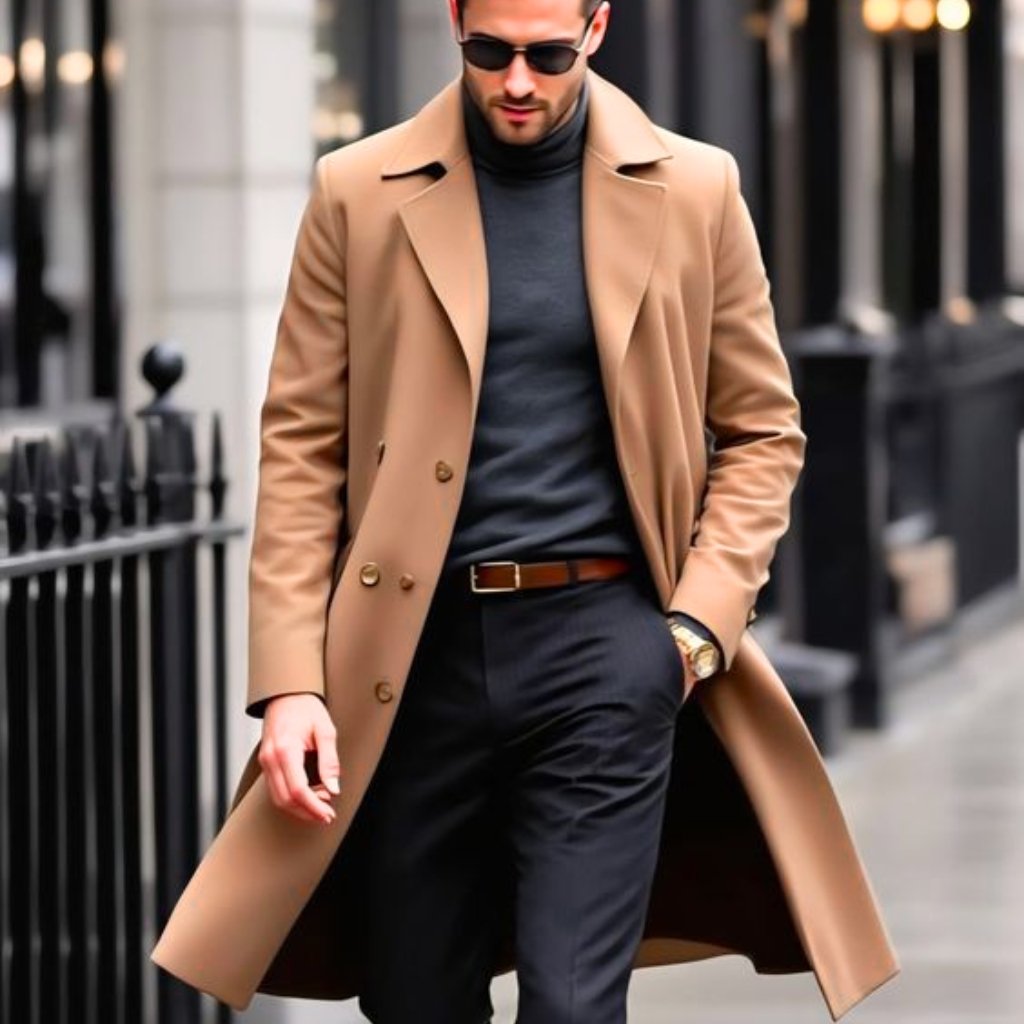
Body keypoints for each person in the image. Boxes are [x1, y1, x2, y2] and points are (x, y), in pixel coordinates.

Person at [151, 0, 901, 1019]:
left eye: (547, 55)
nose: (516, 81)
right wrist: (289, 683)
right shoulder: (356, 193)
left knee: (573, 1002)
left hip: (606, 650)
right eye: (489, 51)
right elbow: (299, 451)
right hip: (408, 662)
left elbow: (764, 433)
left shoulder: (694, 186)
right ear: (455, 20)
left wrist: (689, 633)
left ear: (595, 26)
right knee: (416, 996)